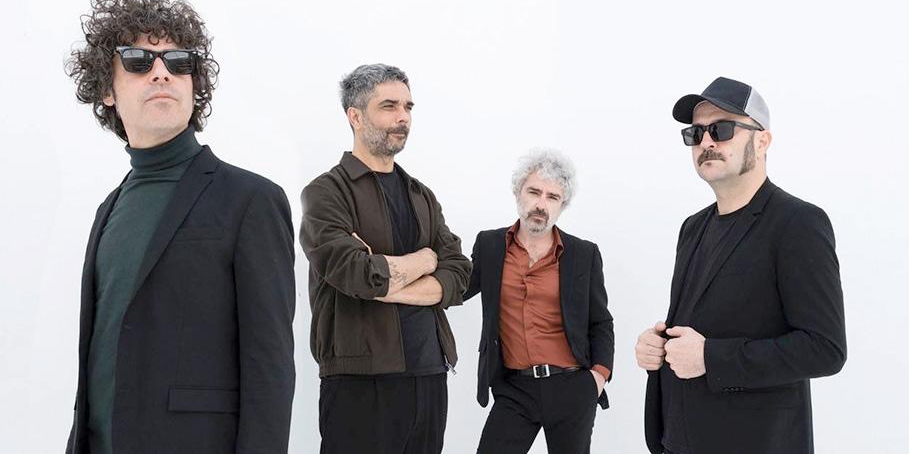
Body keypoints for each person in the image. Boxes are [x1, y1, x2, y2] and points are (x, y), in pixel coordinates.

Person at [64, 0, 295, 454]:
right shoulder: (108, 209)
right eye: (138, 60)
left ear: (194, 84)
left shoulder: (251, 200)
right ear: (107, 90)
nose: (161, 73)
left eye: (177, 61)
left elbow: (270, 369)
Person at [635, 77, 847, 454]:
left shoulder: (798, 223)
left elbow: (825, 348)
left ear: (762, 141)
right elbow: (700, 325)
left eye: (722, 129)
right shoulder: (692, 228)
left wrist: (711, 357)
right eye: (695, 133)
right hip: (678, 441)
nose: (706, 142)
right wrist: (659, 348)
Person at [300, 63, 471, 454]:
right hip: (360, 380)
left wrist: (388, 279)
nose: (403, 117)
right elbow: (357, 273)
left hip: (430, 373)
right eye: (389, 106)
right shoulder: (326, 193)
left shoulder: (421, 194)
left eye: (408, 107)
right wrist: (426, 260)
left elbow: (459, 274)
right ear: (355, 116)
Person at [464, 149, 614, 454]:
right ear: (518, 192)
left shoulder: (583, 254)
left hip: (572, 387)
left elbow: (601, 321)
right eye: (534, 192)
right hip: (514, 388)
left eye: (552, 197)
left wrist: (598, 377)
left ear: (562, 205)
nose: (541, 204)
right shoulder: (490, 245)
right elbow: (458, 289)